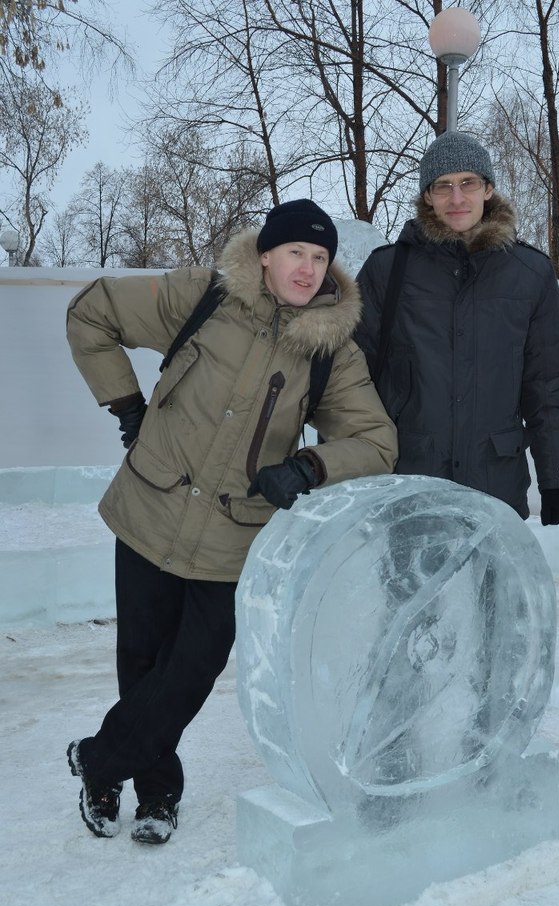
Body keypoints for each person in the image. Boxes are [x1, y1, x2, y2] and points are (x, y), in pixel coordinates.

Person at [65, 199, 398, 845]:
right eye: (296, 252)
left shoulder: (330, 349)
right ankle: (152, 792)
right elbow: (93, 310)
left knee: (191, 667)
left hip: (232, 531)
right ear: (266, 254)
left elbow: (376, 441)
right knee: (141, 661)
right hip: (149, 504)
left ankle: (98, 759)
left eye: (320, 257)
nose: (307, 268)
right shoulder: (203, 298)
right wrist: (126, 407)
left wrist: (308, 466)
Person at [355, 130, 559, 523]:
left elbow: (546, 385)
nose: (456, 198)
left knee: (489, 587)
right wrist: (344, 476)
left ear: (488, 188)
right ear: (427, 196)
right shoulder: (387, 270)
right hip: (407, 484)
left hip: (495, 486)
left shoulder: (530, 272)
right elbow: (351, 383)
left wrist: (557, 475)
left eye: (468, 183)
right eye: (443, 186)